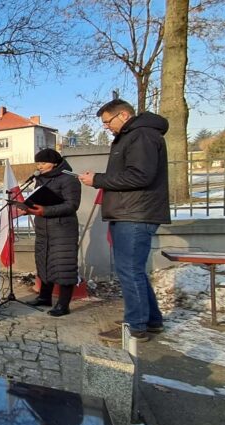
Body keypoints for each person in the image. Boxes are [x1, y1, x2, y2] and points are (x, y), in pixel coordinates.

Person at [79, 99, 170, 343]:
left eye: (108, 121)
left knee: (129, 271)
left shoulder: (141, 136)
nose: (106, 126)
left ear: (124, 115)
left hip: (136, 213)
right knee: (133, 271)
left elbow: (140, 176)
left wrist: (98, 179)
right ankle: (151, 320)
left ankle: (136, 327)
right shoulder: (134, 135)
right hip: (129, 211)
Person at [20, 149, 81, 317]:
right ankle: (44, 297)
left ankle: (63, 304)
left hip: (63, 229)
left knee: (63, 265)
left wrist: (44, 210)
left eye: (43, 163)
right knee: (44, 261)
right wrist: (28, 209)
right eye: (38, 164)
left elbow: (71, 205)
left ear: (54, 162)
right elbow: (40, 200)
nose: (40, 167)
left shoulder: (69, 179)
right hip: (43, 228)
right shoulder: (41, 179)